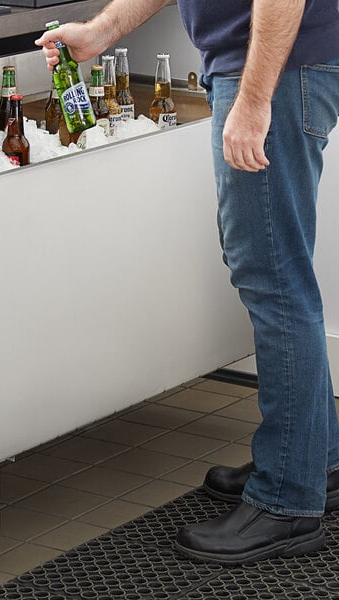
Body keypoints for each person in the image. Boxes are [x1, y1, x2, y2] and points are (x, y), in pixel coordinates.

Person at [36, 0, 339, 565]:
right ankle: (314, 457)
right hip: (275, 67)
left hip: (272, 71)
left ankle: (286, 501)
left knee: (274, 277)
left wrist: (253, 102)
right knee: (278, 270)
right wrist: (102, 31)